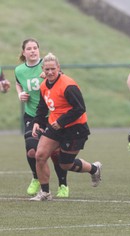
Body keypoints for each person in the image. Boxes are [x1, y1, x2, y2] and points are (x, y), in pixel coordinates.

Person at [29, 52, 102, 201]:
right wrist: (38, 121)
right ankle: (45, 193)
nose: (50, 72)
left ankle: (94, 169)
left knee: (65, 164)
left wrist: (61, 121)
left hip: (75, 128)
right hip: (55, 127)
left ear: (58, 68)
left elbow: (80, 108)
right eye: (47, 69)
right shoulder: (43, 85)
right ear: (43, 69)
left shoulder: (68, 85)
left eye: (52, 69)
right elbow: (42, 107)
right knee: (40, 155)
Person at [14, 38, 69, 198]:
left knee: (56, 153)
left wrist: (49, 76)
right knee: (32, 151)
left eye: (35, 48)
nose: (32, 51)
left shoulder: (46, 66)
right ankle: (36, 178)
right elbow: (18, 83)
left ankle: (63, 184)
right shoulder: (19, 70)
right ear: (24, 52)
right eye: (29, 48)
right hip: (32, 114)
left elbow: (61, 79)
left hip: (52, 115)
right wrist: (20, 94)